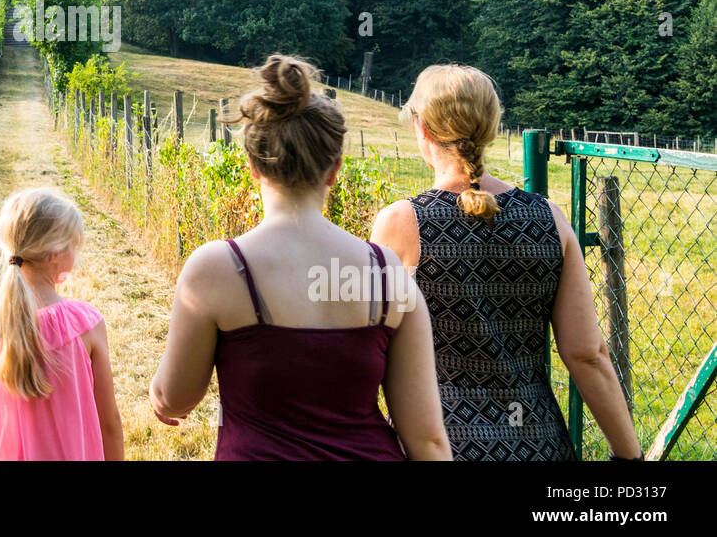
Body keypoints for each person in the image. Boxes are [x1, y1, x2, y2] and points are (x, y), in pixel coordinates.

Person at [149, 55, 451, 461]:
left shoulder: (216, 269)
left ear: (253, 166)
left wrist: (160, 396)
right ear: (334, 170)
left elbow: (176, 396)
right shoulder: (387, 274)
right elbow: (428, 440)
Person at [371, 64, 641, 461]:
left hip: (436, 445)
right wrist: (629, 456)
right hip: (540, 444)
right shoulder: (550, 218)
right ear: (492, 129)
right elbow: (587, 354)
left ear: (423, 129)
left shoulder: (401, 223)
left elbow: (365, 350)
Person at [0, 187, 124, 460]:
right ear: (54, 255)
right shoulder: (86, 325)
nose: (77, 254)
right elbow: (110, 425)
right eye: (74, 246)